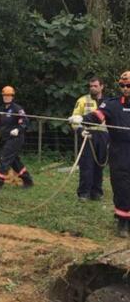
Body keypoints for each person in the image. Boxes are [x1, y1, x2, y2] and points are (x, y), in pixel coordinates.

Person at [70, 71, 130, 237]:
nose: (125, 88)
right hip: (119, 152)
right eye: (122, 86)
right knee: (121, 185)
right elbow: (97, 116)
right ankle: (123, 221)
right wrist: (81, 120)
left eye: (128, 86)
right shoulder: (112, 104)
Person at [0, 85, 34, 189]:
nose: (6, 97)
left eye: (8, 95)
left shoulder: (17, 109)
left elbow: (25, 121)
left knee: (3, 157)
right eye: (4, 95)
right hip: (6, 139)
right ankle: (27, 181)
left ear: (12, 96)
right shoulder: (1, 109)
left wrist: (18, 129)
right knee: (15, 162)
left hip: (16, 139)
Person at [70, 77, 109, 201]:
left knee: (100, 165)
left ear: (102, 86)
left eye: (95, 86)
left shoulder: (108, 102)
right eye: (91, 86)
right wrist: (81, 131)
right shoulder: (82, 100)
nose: (92, 88)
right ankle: (84, 193)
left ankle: (96, 192)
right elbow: (74, 119)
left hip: (103, 136)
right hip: (88, 135)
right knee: (86, 165)